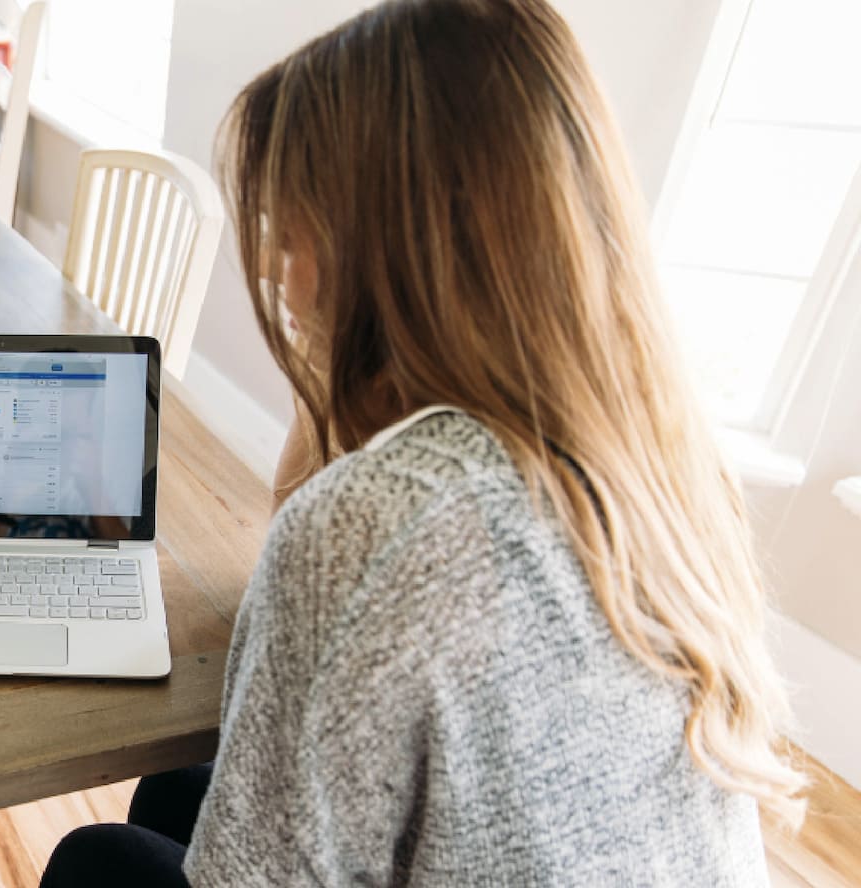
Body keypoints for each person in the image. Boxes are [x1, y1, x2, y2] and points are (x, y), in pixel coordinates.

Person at [41, 0, 805, 885]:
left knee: (96, 860)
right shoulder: (664, 457)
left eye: (292, 238)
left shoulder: (375, 526)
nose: (278, 278)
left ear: (373, 250)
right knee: (182, 788)